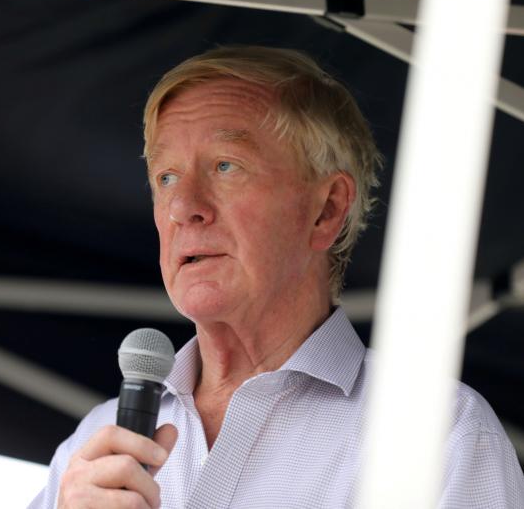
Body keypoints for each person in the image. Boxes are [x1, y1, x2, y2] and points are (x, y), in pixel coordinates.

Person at [29, 46, 524, 508]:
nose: (183, 207)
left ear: (326, 210)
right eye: (167, 177)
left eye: (226, 166)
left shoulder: (436, 434)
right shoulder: (93, 445)